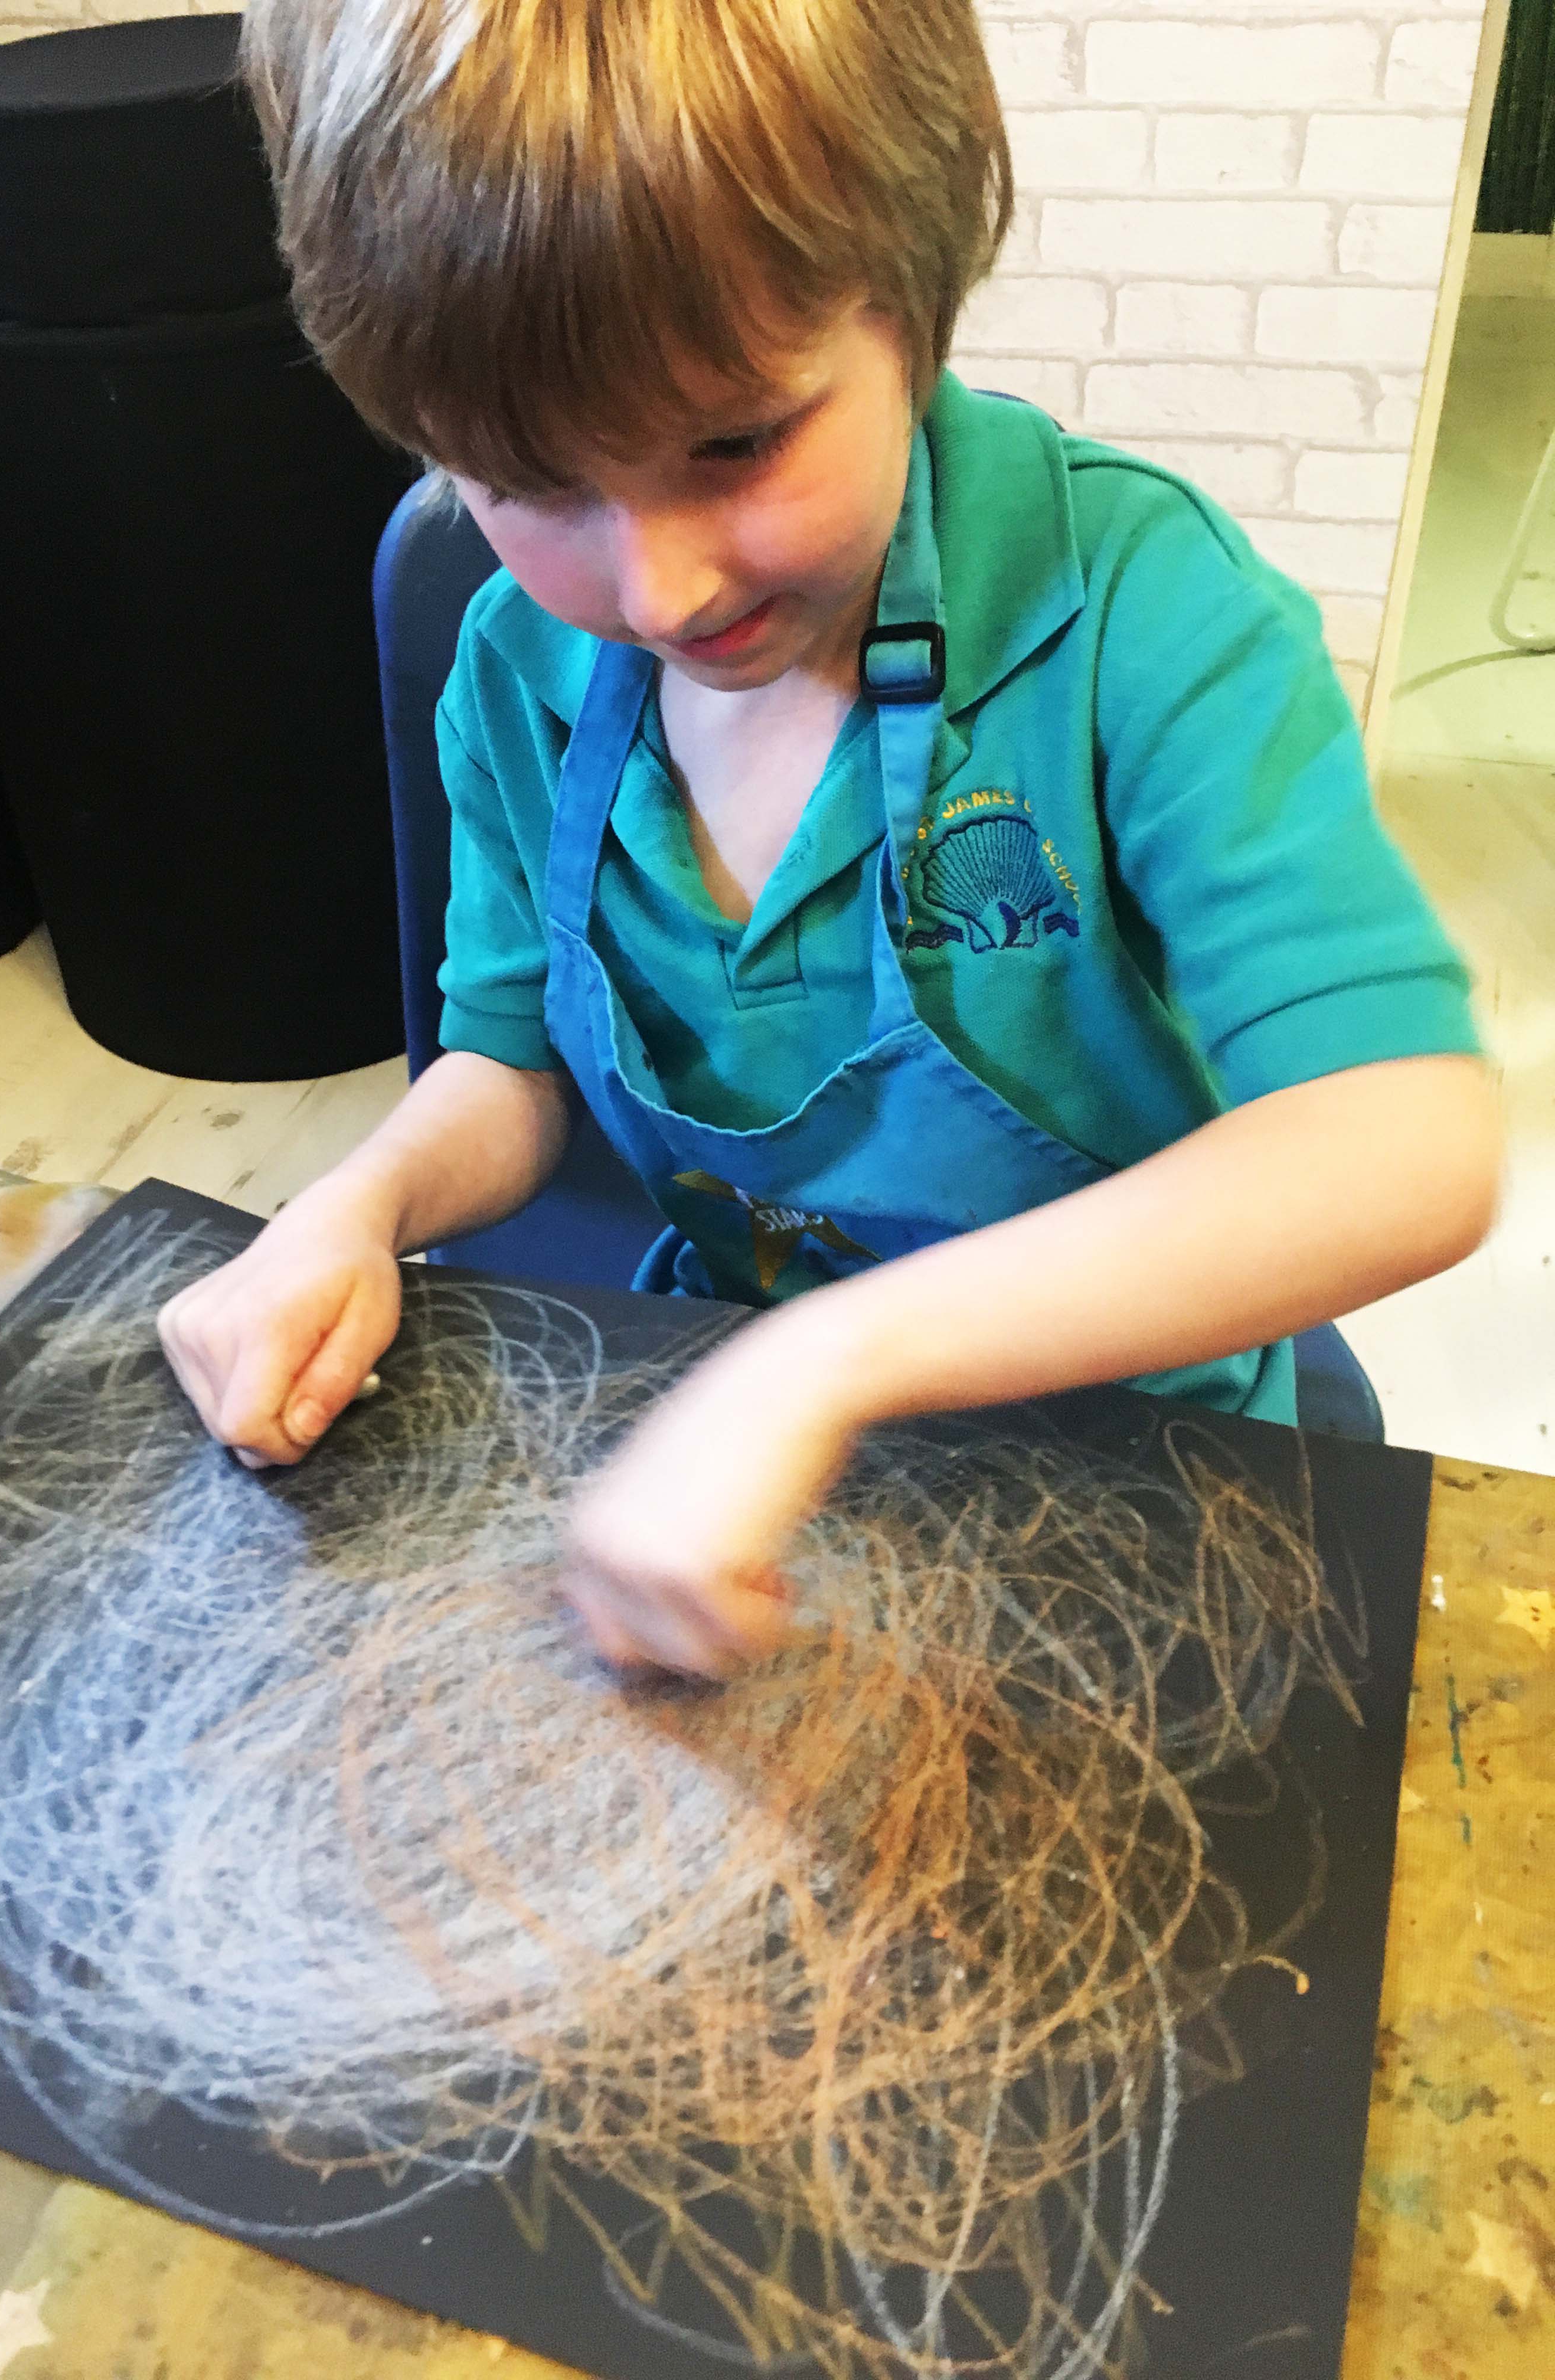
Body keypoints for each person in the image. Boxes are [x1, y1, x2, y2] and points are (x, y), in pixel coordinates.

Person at [160, 0, 1501, 1677]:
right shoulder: (519, 669)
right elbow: (508, 1067)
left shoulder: (1144, 612)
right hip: (721, 1434)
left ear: (912, 305)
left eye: (735, 444)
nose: (660, 591)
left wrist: (826, 1362)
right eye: (531, 485)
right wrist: (353, 1209)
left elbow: (1405, 1142)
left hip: (1135, 1459)